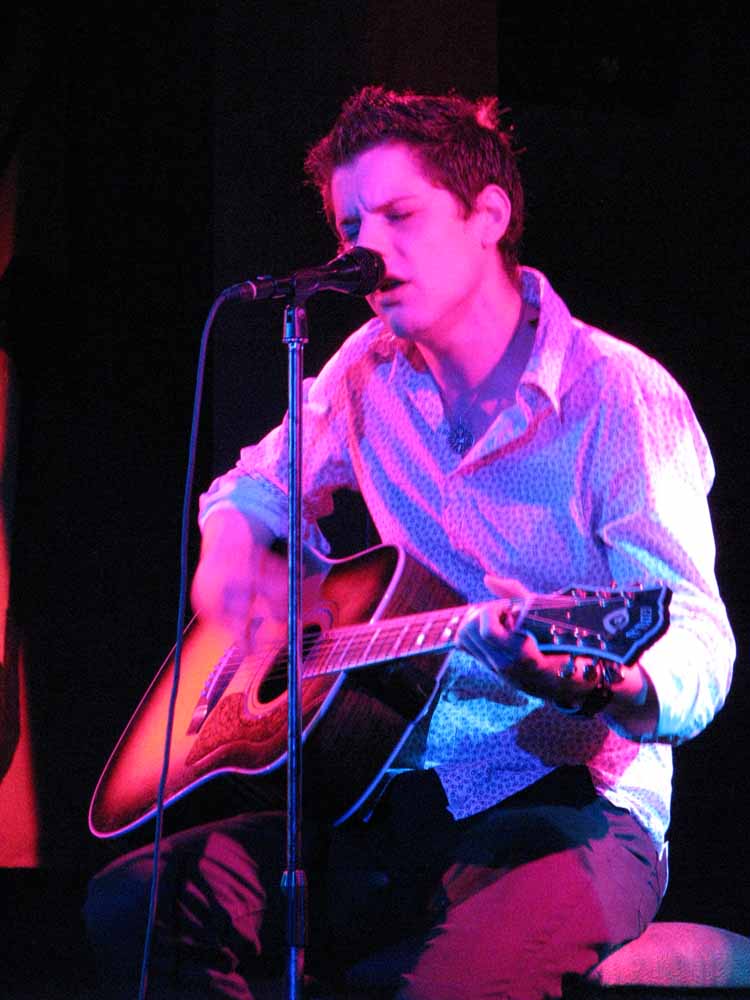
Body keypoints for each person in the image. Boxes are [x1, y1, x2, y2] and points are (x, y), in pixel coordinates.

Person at [85, 85, 735, 1000]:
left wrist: (608, 683)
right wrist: (231, 555)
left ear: (487, 216)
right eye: (352, 224)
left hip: (569, 812)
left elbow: (698, 640)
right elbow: (255, 487)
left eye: (400, 215)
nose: (368, 248)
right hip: (386, 793)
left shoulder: (619, 396)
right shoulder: (367, 370)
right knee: (138, 904)